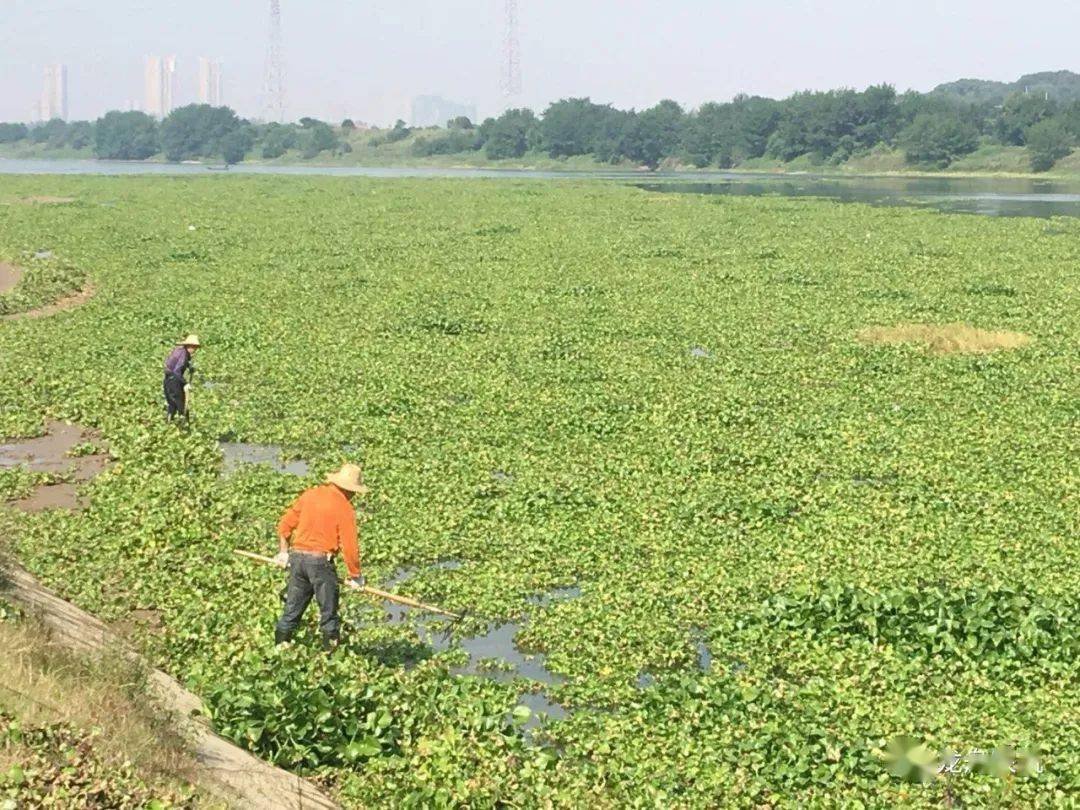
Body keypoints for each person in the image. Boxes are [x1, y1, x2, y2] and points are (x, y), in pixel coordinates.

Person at [274, 463, 368, 650]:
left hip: (298, 559)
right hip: (320, 564)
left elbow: (284, 526)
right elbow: (350, 546)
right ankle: (330, 656)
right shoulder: (344, 507)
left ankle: (280, 648)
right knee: (329, 614)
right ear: (349, 489)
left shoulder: (310, 495)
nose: (354, 495)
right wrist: (355, 575)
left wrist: (284, 552)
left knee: (292, 610)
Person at [163, 334, 200, 420]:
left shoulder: (181, 352)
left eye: (195, 348)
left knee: (172, 405)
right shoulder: (183, 354)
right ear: (188, 345)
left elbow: (181, 364)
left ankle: (170, 423)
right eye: (193, 347)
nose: (194, 349)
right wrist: (186, 383)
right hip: (173, 381)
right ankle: (183, 426)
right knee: (181, 407)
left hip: (168, 380)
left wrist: (189, 367)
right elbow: (176, 371)